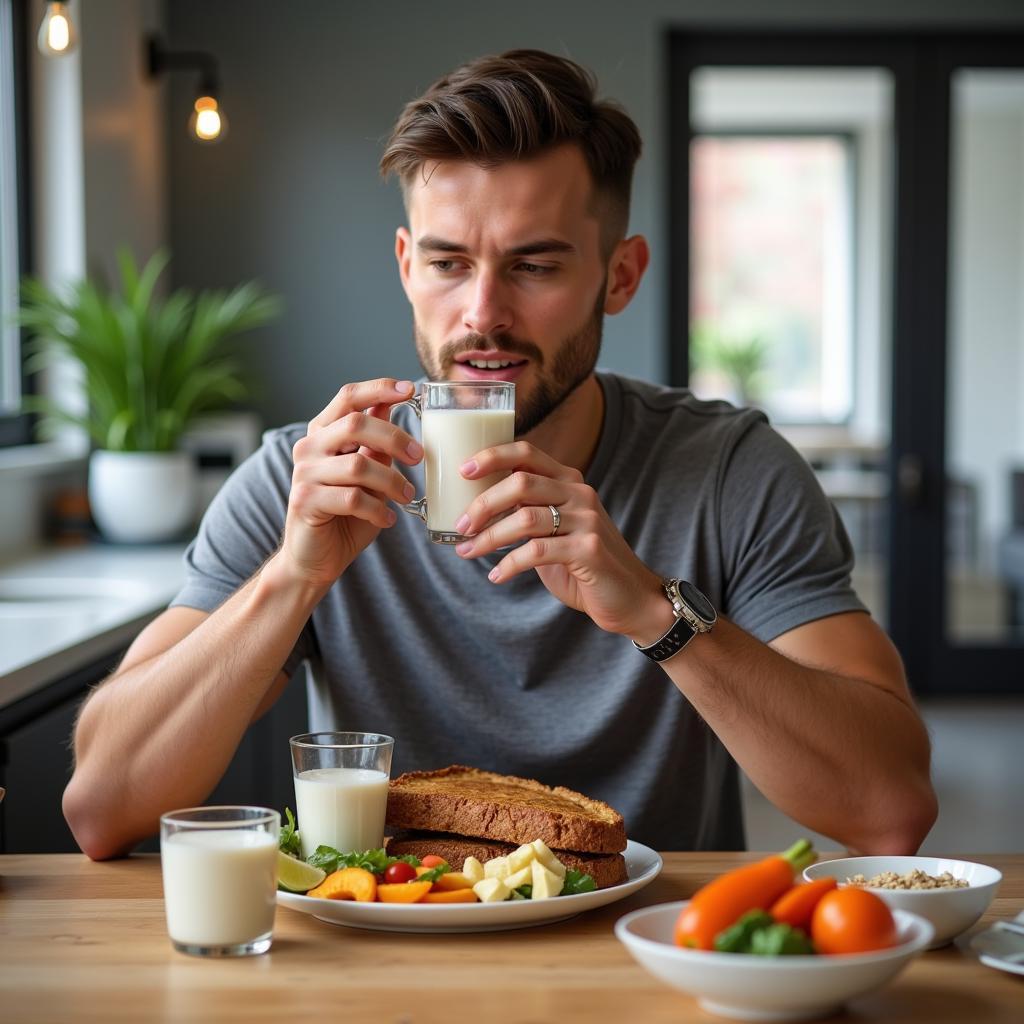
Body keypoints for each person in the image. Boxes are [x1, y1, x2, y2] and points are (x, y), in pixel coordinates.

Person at [63, 49, 937, 860]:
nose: (482, 313)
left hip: (647, 963)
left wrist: (654, 611)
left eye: (535, 266)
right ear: (408, 267)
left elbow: (890, 808)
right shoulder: (304, 482)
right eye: (449, 264)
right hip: (377, 956)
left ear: (620, 276)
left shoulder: (728, 471)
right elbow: (103, 807)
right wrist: (292, 579)